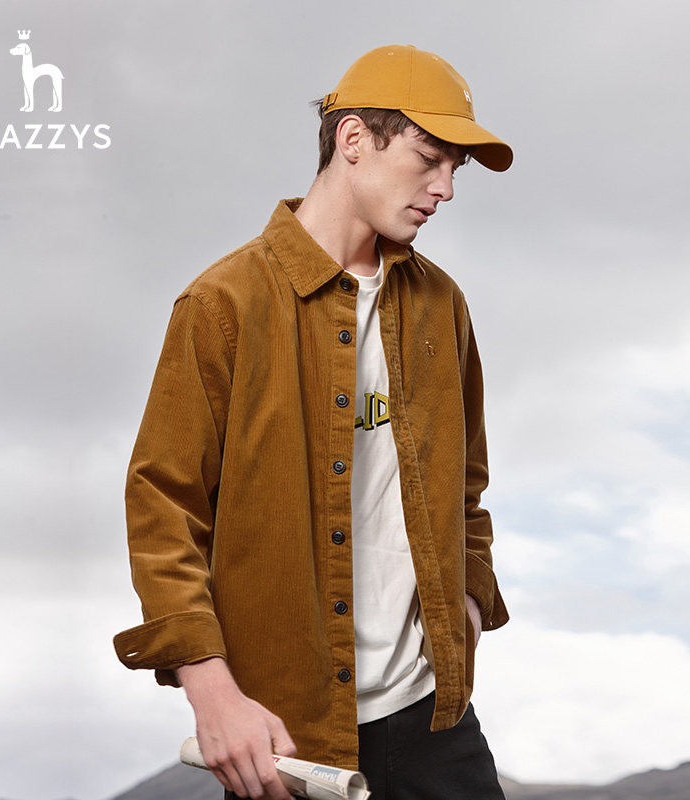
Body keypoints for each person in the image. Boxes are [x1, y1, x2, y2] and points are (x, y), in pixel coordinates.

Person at [114, 44, 512, 800]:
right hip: (290, 737)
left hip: (433, 721)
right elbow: (164, 509)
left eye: (456, 168)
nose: (446, 188)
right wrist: (211, 691)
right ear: (354, 138)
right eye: (429, 158)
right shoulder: (222, 305)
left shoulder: (442, 306)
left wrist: (467, 606)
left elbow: (467, 484)